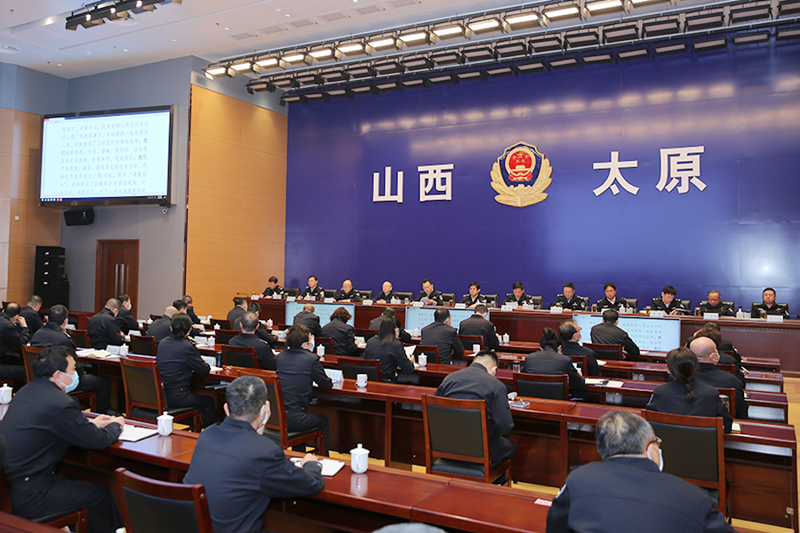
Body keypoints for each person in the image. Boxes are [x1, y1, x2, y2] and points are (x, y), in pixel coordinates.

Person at [546, 409, 736, 533]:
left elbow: (555, 527)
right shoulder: (694, 497)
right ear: (649, 448)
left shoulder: (576, 480)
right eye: (657, 442)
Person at [0, 346, 124, 533]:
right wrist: (117, 424)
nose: (76, 374)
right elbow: (98, 440)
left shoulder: (25, 391)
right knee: (100, 495)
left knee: (73, 478)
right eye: (73, 369)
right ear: (58, 375)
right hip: (30, 495)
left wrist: (89, 424)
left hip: (10, 489)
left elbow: (53, 424)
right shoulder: (61, 403)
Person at [183, 376, 324, 533]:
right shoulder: (265, 451)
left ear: (226, 409)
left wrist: (257, 433)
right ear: (264, 411)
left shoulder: (207, 435)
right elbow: (311, 484)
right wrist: (311, 463)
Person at [435, 350, 515, 467]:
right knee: (510, 446)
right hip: (481, 450)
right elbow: (505, 428)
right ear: (494, 370)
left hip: (447, 447)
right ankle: (492, 477)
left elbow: (436, 414)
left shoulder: (449, 379)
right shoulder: (497, 386)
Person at [31, 304, 115, 415]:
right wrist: (83, 372)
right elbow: (74, 367)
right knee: (104, 383)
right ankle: (101, 413)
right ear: (65, 321)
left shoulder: (37, 334)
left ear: (47, 319)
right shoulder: (64, 339)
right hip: (61, 381)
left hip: (39, 378)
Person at [646, 347, 732, 433]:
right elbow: (727, 425)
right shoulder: (711, 393)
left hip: (667, 441)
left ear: (670, 370)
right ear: (696, 367)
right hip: (702, 441)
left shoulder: (660, 392)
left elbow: (649, 422)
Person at [276, 325, 333, 453]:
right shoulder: (311, 360)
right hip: (296, 420)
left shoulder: (280, 357)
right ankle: (324, 458)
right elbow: (326, 385)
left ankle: (299, 454)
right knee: (323, 420)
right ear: (304, 344)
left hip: (277, 417)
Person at [156, 314, 218, 427]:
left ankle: (194, 426)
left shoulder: (162, 343)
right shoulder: (187, 347)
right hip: (178, 396)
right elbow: (204, 370)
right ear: (189, 330)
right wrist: (201, 362)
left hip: (161, 394)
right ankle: (212, 433)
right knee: (209, 402)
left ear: (171, 328)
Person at [690, 337, 748, 419]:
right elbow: (740, 412)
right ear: (713, 356)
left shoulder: (681, 378)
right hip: (721, 424)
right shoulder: (732, 381)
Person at [523, 328, 585, 396]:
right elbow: (579, 384)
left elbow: (522, 379)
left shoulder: (529, 358)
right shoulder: (565, 360)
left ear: (541, 348)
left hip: (531, 400)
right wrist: (579, 374)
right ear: (559, 348)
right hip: (558, 401)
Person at [364, 317, 415, 382]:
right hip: (388, 381)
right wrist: (411, 361)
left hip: (370, 380)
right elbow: (408, 369)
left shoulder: (370, 342)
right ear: (395, 330)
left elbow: (365, 360)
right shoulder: (396, 344)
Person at [0, 303, 29, 382]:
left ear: (3, 310)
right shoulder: (7, 326)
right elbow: (21, 343)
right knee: (27, 371)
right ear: (16, 317)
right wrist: (24, 327)